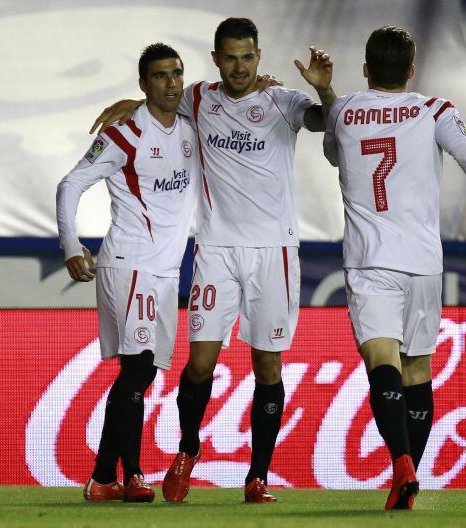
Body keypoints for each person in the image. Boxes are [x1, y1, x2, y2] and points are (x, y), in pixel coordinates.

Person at [89, 17, 335, 503]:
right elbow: (159, 100)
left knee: (268, 364)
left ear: (259, 57)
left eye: (248, 57)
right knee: (200, 363)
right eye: (230, 58)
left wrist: (326, 92)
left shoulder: (282, 101)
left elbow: (322, 121)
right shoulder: (199, 98)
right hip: (216, 250)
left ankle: (257, 476)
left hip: (275, 252)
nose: (240, 67)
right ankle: (187, 448)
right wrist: (133, 104)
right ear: (216, 58)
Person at [318, 26, 466, 510]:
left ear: (365, 68)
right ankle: (408, 477)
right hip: (423, 263)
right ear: (412, 70)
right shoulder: (435, 110)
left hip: (369, 261)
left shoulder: (343, 111)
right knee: (417, 368)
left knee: (381, 362)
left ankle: (400, 462)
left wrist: (326, 93)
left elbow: (330, 153)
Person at [56, 43, 198, 503]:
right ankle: (121, 475)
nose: (172, 83)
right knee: (136, 371)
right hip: (130, 264)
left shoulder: (192, 128)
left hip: (165, 271)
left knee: (144, 373)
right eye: (159, 76)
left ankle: (114, 476)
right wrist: (71, 244)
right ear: (143, 84)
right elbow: (70, 183)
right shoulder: (123, 135)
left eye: (177, 73)